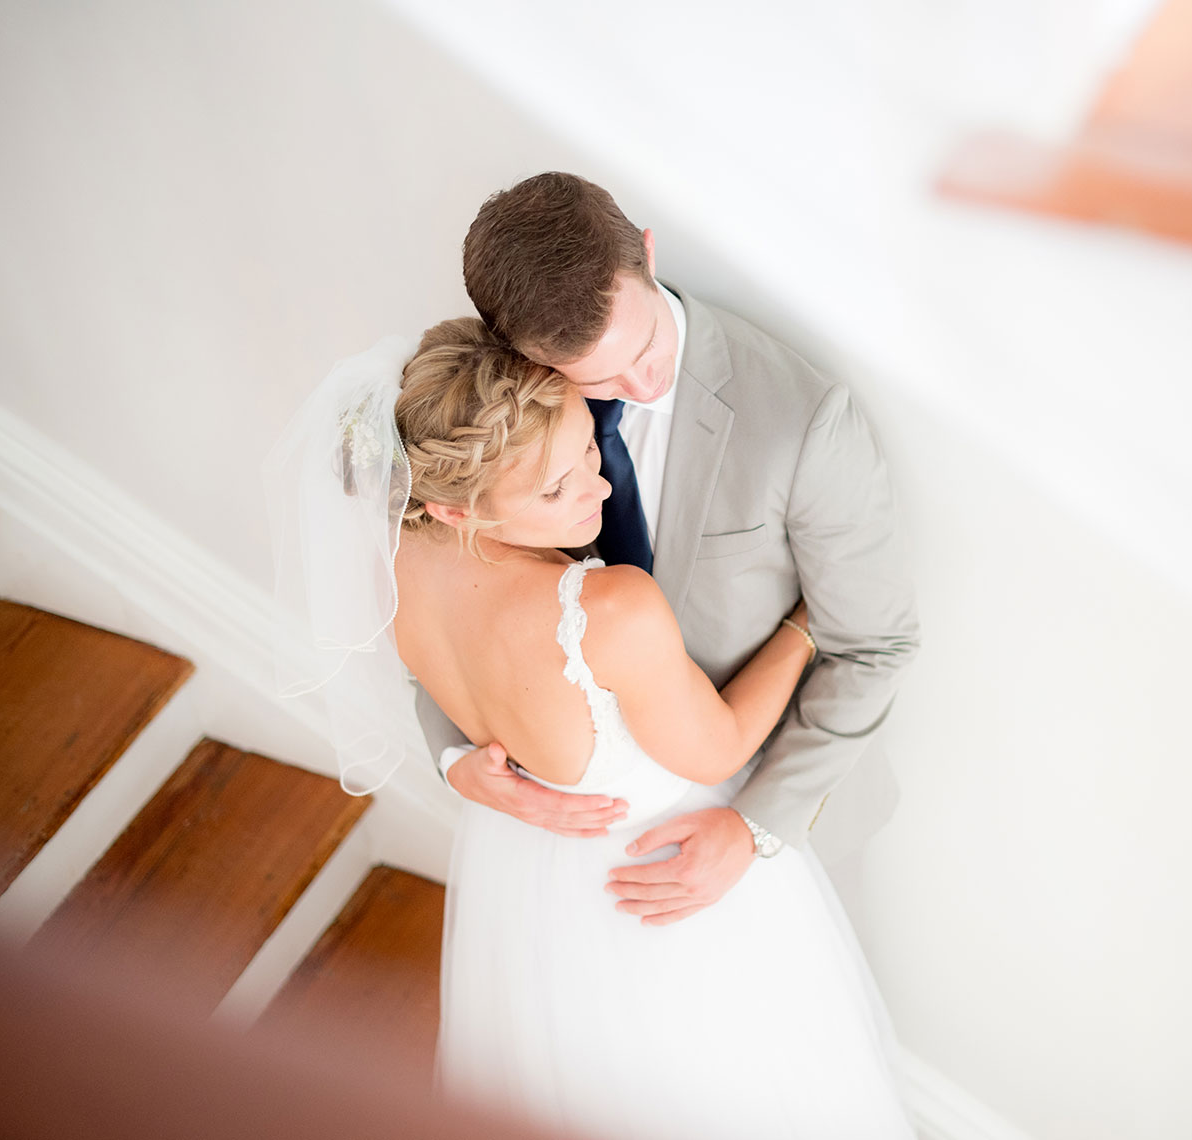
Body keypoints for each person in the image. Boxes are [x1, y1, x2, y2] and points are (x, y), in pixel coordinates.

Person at [386, 319, 914, 1137]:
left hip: (527, 883)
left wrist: (456, 759)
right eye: (555, 491)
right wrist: (804, 626)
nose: (597, 495)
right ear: (455, 510)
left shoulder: (400, 550)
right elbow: (726, 742)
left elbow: (429, 671)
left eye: (586, 455)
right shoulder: (610, 609)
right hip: (660, 889)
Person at [421, 173, 919, 924]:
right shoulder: (505, 408)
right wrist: (456, 759)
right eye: (597, 377)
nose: (642, 381)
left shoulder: (803, 424)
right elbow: (455, 573)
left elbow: (875, 646)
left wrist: (755, 828)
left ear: (648, 254)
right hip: (582, 833)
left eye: (645, 344)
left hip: (769, 803)